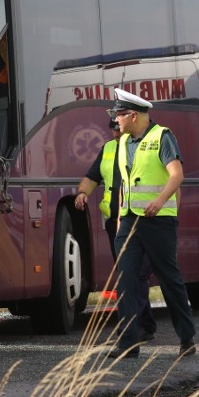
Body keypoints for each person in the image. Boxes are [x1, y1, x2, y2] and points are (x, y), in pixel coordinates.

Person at [109, 88, 196, 359]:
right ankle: (128, 344)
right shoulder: (123, 143)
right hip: (130, 222)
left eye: (119, 115)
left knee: (169, 280)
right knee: (125, 280)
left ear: (133, 115)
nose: (116, 121)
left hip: (158, 221)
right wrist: (121, 217)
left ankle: (186, 338)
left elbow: (177, 174)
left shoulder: (162, 137)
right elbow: (125, 181)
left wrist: (159, 201)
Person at [74, 119, 157, 343]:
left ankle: (132, 329)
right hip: (115, 223)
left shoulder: (144, 146)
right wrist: (83, 193)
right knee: (128, 274)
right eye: (113, 128)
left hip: (140, 220)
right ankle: (145, 325)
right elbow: (92, 177)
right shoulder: (108, 149)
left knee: (135, 273)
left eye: (118, 127)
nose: (116, 132)